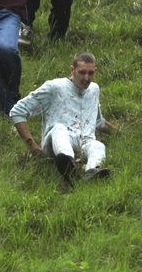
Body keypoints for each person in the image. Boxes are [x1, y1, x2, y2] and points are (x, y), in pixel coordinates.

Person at [10, 52, 116, 183]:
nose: (86, 78)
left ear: (95, 71)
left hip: (83, 142)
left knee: (98, 145)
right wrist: (33, 147)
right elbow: (17, 111)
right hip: (55, 142)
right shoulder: (55, 87)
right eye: (82, 72)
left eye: (91, 73)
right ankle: (68, 164)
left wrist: (119, 133)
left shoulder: (94, 89)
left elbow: (98, 121)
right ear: (72, 70)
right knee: (59, 129)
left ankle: (90, 173)